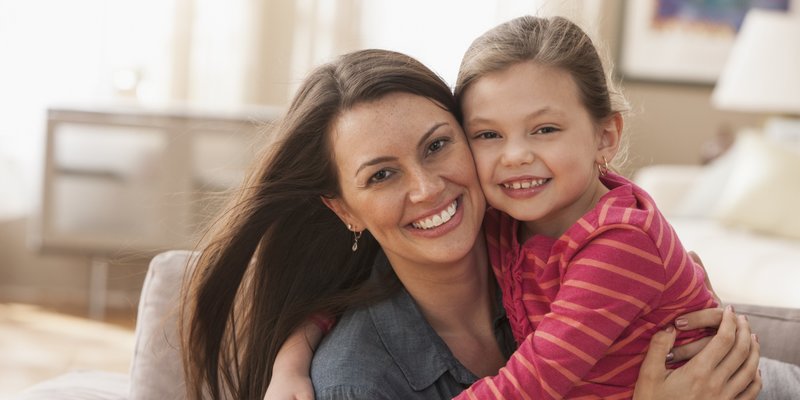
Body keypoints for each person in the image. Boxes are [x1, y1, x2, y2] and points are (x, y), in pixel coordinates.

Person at [180, 48, 761, 400]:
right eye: (381, 175)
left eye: (437, 145)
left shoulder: (519, 227)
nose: (427, 189)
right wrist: (294, 352)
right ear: (344, 209)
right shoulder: (357, 381)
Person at [443, 15, 716, 398]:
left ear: (605, 137)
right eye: (488, 134)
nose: (515, 155)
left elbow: (531, 383)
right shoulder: (500, 218)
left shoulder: (622, 240)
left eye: (545, 129)